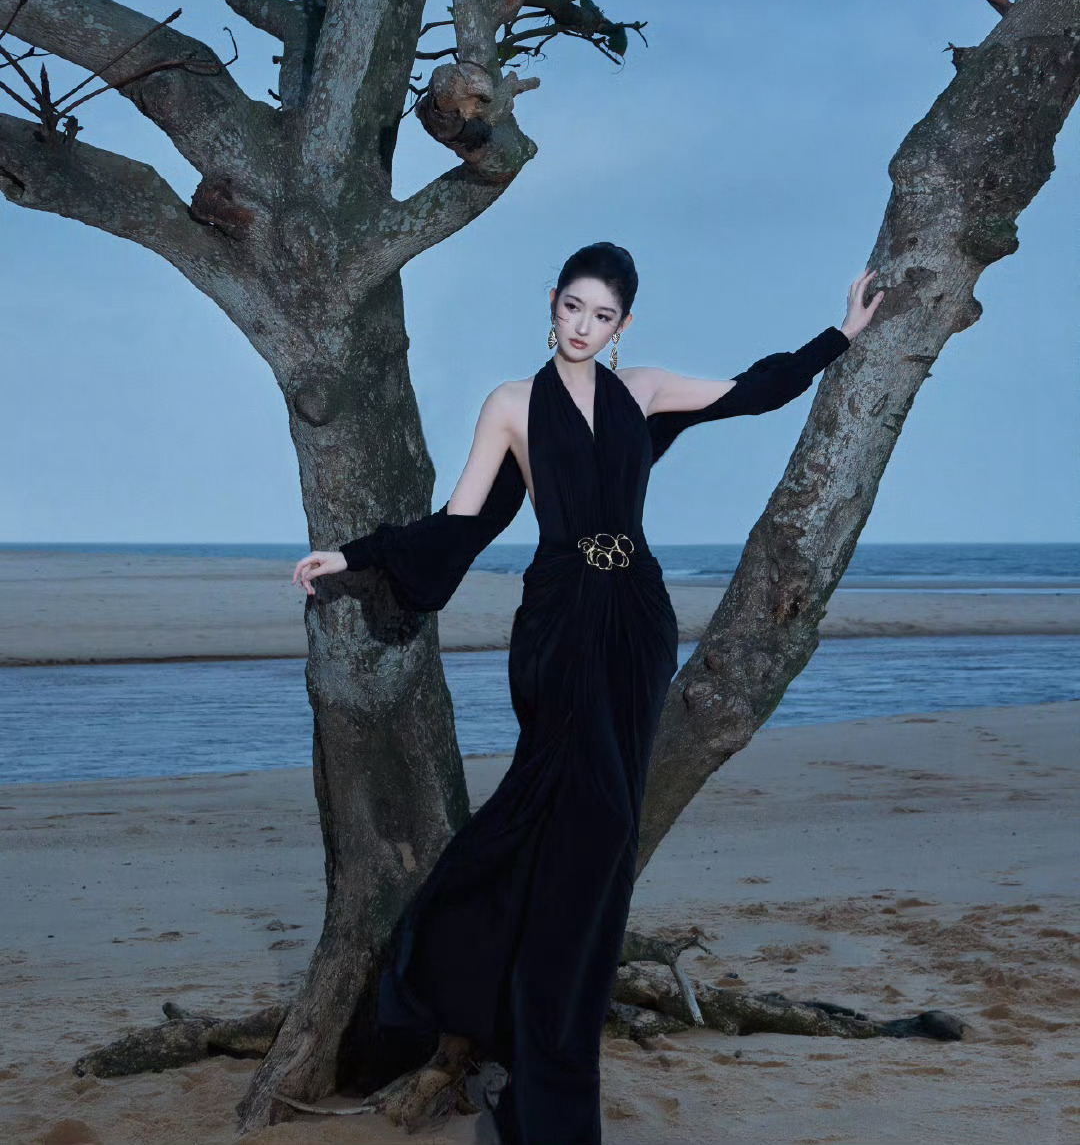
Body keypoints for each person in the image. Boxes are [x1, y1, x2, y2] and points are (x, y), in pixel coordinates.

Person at [293, 242, 882, 1144]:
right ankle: (448, 986)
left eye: (601, 315)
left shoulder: (643, 391)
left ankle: (538, 1029)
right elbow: (461, 522)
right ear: (553, 303)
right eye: (572, 306)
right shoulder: (510, 404)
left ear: (622, 326)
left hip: (637, 619)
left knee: (604, 831)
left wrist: (841, 335)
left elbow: (753, 390)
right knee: (556, 807)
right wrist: (355, 555)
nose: (582, 325)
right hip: (561, 620)